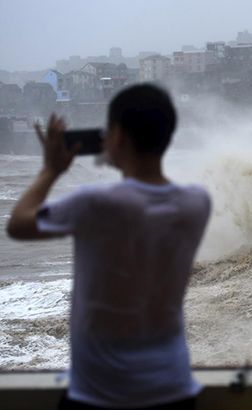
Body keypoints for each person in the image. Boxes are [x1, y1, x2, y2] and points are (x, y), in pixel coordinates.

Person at [6, 84, 211, 409]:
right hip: (173, 390)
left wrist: (50, 170)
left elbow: (18, 224)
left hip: (99, 397)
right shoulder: (197, 203)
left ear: (116, 135)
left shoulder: (95, 204)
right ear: (168, 136)